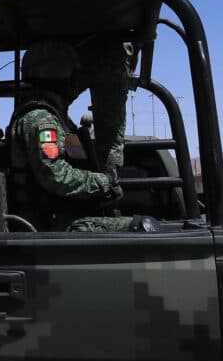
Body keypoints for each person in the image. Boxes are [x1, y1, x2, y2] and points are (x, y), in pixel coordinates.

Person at [8, 41, 157, 233]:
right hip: (52, 224)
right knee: (145, 227)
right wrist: (103, 182)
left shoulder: (54, 116)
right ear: (58, 75)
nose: (75, 79)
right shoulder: (41, 119)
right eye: (72, 74)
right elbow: (55, 175)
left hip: (62, 217)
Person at [36, 0, 141, 175]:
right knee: (111, 134)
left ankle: (59, 174)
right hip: (111, 61)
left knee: (46, 116)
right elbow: (141, 22)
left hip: (62, 64)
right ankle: (108, 188)